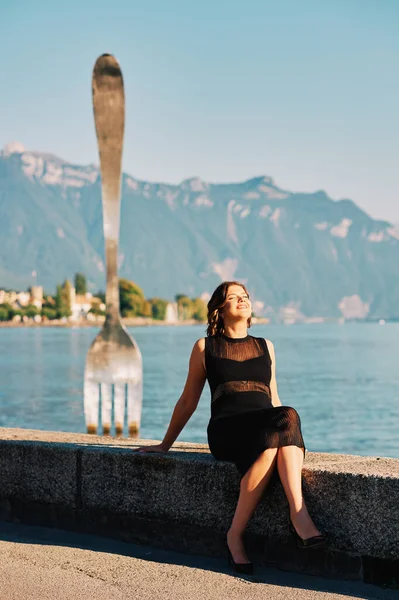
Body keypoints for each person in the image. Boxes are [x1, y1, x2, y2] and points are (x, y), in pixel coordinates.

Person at [133, 281, 327, 574]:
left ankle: (234, 534)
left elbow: (273, 399)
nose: (242, 300)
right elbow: (188, 401)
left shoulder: (266, 346)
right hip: (227, 430)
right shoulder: (205, 348)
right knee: (286, 420)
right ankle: (298, 516)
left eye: (245, 296)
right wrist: (164, 445)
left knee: (280, 430)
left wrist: (293, 440)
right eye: (233, 297)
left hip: (264, 429)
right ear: (219, 309)